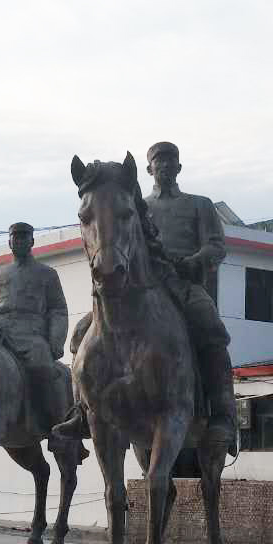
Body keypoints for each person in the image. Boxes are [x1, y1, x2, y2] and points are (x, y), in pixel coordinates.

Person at [55, 141, 237, 449]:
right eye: (158, 162)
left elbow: (216, 245)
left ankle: (222, 414)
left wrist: (193, 261)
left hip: (183, 284)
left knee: (210, 326)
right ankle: (82, 411)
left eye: (170, 161)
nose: (164, 166)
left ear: (178, 167)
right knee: (82, 333)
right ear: (149, 169)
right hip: (137, 285)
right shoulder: (135, 205)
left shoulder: (199, 204)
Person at [0, 221, 70, 434]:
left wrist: (54, 342)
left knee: (45, 367)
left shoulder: (46, 274)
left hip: (31, 336)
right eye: (16, 237)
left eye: (24, 237)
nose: (20, 240)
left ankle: (57, 424)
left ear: (31, 241)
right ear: (9, 241)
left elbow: (58, 310)